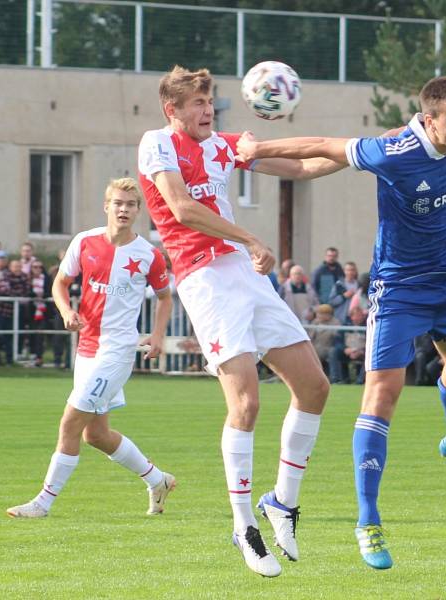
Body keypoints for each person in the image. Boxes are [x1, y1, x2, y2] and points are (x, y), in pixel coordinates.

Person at [237, 74, 446, 570]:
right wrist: (252, 150)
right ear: (430, 120)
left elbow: (320, 163)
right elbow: (322, 145)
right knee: (382, 395)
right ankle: (368, 519)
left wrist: (265, 160)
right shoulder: (395, 150)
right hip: (400, 290)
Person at [137, 66, 340, 577]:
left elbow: (301, 169)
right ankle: (244, 524)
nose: (208, 111)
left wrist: (364, 156)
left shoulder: (221, 145)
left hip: (245, 276)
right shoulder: (156, 143)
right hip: (204, 280)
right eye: (199, 103)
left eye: (211, 102)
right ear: (173, 111)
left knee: (315, 387)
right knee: (247, 402)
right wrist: (250, 238)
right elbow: (182, 209)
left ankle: (282, 503)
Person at [7, 178, 176, 519]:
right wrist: (66, 310)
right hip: (86, 348)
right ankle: (159, 480)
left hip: (117, 351)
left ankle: (43, 502)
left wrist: (157, 335)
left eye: (130, 204)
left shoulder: (148, 254)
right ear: (107, 206)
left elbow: (164, 297)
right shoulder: (84, 241)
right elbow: (60, 282)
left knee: (69, 423)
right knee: (95, 435)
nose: (124, 209)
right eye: (118, 203)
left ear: (138, 211)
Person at [308, 304, 340, 376]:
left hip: (328, 347)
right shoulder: (314, 322)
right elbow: (310, 337)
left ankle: (334, 378)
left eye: (322, 314)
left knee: (332, 352)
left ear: (329, 314)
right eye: (318, 313)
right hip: (315, 348)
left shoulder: (335, 322)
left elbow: (335, 336)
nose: (319, 315)